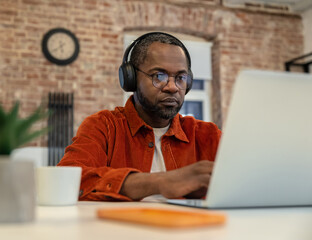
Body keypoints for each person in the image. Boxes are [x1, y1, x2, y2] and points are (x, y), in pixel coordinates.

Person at [58, 32, 221, 201]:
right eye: (159, 76)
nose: (173, 87)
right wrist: (159, 182)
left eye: (180, 77)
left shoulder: (207, 134)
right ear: (132, 78)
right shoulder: (103, 126)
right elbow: (65, 181)